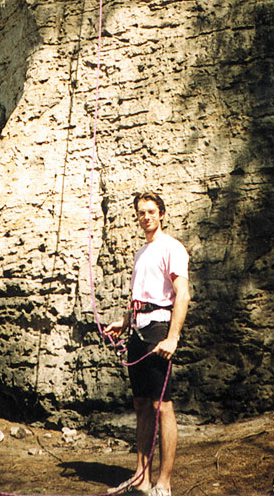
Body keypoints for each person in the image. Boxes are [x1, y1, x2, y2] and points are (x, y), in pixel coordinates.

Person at [105, 192, 190, 496]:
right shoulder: (141, 253)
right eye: (141, 213)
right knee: (141, 404)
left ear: (162, 214)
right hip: (137, 330)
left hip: (158, 331)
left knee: (162, 406)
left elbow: (182, 294)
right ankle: (141, 479)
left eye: (151, 211)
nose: (146, 217)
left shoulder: (172, 248)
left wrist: (173, 337)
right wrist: (124, 321)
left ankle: (163, 483)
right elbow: (139, 299)